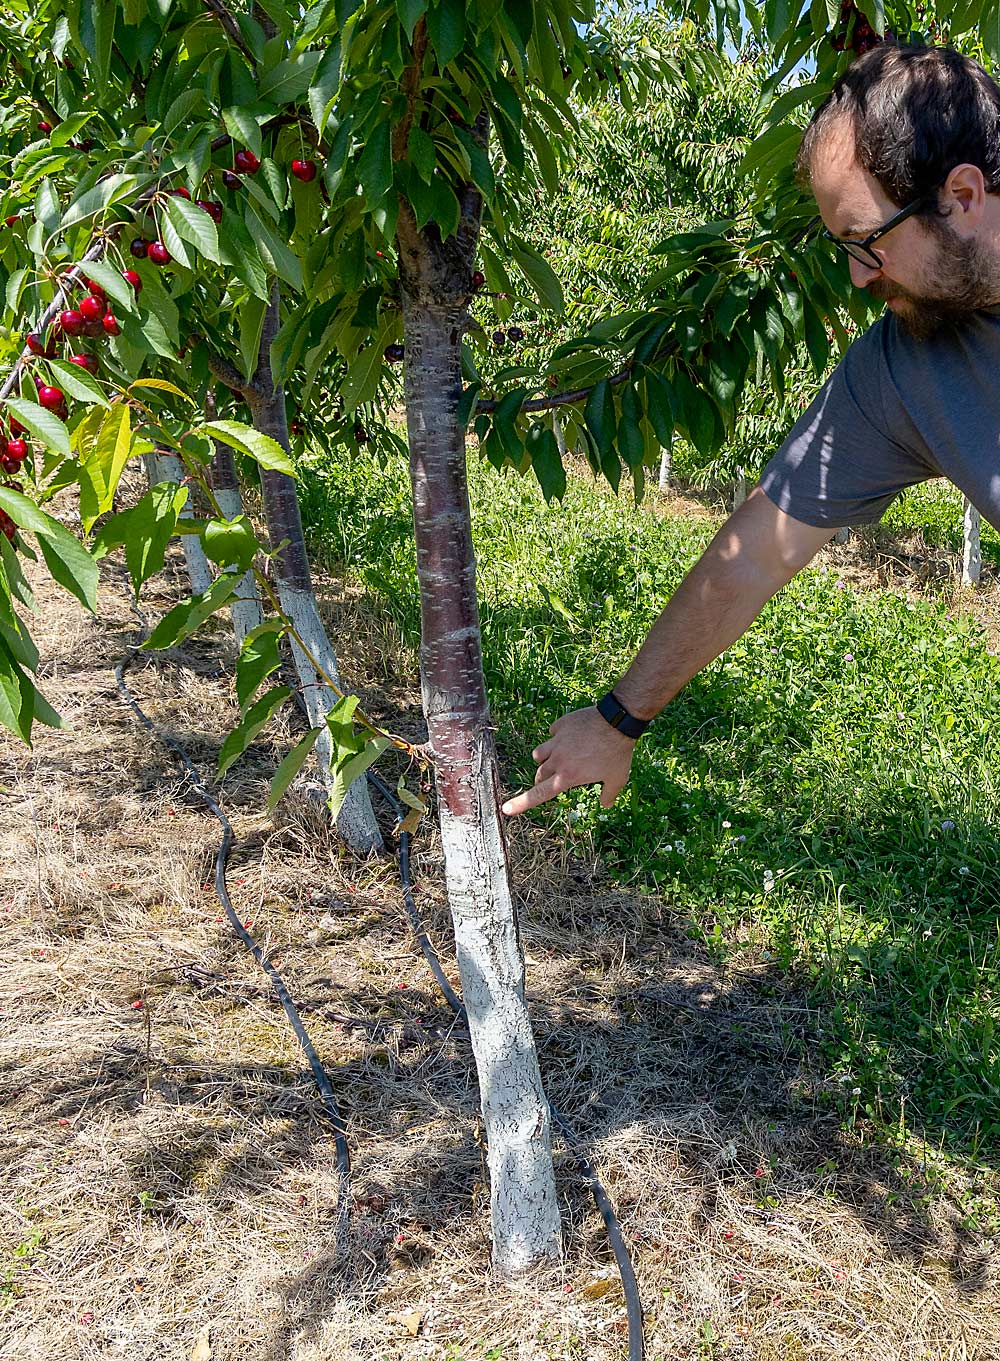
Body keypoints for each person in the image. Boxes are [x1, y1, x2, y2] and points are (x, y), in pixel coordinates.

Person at [502, 42, 1000, 820]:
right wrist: (619, 716)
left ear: (963, 196)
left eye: (867, 243)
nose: (858, 278)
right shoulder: (904, 372)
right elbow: (753, 555)